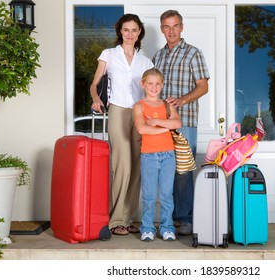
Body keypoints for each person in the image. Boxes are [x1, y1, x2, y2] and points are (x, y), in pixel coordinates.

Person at [90, 14, 153, 236]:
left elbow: (151, 90)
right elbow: (94, 84)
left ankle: (128, 219)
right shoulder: (109, 54)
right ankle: (116, 219)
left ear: (139, 33)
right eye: (126, 29)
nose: (130, 34)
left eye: (134, 30)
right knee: (121, 165)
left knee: (136, 166)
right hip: (117, 110)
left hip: (140, 114)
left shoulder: (146, 62)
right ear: (120, 31)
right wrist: (97, 99)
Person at [152, 10, 210, 236]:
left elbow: (203, 86)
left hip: (184, 122)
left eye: (175, 26)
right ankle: (170, 219)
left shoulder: (193, 53)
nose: (171, 30)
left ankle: (186, 219)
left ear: (182, 27)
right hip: (161, 124)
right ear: (161, 29)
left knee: (183, 171)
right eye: (167, 26)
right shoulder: (158, 56)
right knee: (165, 171)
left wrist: (183, 100)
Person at [133, 68, 182, 241]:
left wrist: (155, 122)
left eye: (158, 84)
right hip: (149, 155)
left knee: (166, 194)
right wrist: (165, 128)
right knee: (149, 195)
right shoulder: (139, 106)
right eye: (150, 83)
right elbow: (141, 128)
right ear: (143, 84)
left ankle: (167, 227)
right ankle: (147, 228)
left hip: (168, 155)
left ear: (162, 85)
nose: (154, 87)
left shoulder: (167, 105)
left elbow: (177, 123)